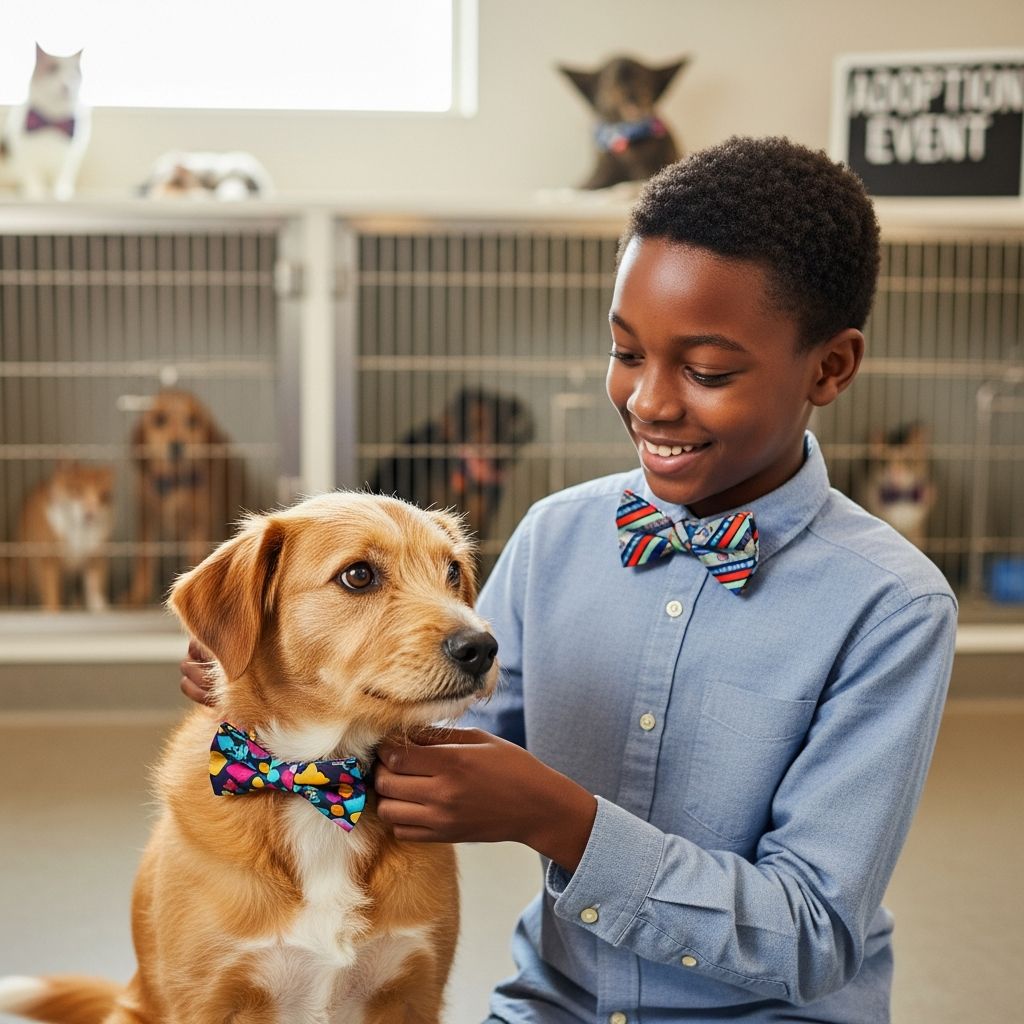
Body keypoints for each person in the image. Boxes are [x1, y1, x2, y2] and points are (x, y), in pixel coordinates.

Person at [180, 136, 957, 1022]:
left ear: (831, 367)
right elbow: (428, 728)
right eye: (627, 353)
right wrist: (268, 668)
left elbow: (814, 932)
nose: (651, 402)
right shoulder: (556, 537)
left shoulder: (893, 607)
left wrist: (565, 824)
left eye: (706, 371)